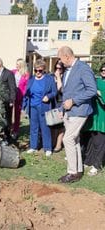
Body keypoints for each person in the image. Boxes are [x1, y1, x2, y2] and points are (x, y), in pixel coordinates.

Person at [57, 46, 97, 183]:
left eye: (61, 59)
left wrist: (74, 101)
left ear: (67, 56)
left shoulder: (83, 68)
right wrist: (63, 109)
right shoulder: (69, 70)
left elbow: (92, 90)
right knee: (74, 140)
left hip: (79, 110)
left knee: (67, 139)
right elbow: (67, 92)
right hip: (69, 111)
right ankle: (78, 170)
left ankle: (72, 172)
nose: (61, 62)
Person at [22, 59, 57, 156]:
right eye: (36, 70)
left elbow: (54, 92)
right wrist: (23, 106)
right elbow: (26, 94)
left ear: (44, 70)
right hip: (32, 107)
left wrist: (48, 97)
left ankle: (47, 148)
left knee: (45, 128)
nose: (38, 72)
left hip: (44, 107)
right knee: (33, 128)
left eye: (40, 70)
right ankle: (33, 146)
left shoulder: (49, 79)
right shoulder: (31, 79)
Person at [82, 63, 105, 176]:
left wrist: (100, 93)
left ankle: (97, 165)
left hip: (103, 118)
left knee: (100, 143)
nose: (103, 71)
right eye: (102, 69)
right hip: (93, 115)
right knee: (91, 140)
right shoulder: (96, 81)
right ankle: (88, 161)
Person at [11, 58, 30, 140]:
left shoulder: (26, 75)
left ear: (22, 65)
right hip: (11, 95)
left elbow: (26, 87)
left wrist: (24, 96)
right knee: (9, 113)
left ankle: (16, 131)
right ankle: (9, 129)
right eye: (16, 64)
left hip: (20, 96)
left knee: (17, 114)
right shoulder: (13, 72)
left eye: (18, 64)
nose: (16, 65)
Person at [50, 60, 65, 153]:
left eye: (60, 68)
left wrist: (58, 77)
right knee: (52, 124)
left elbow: (61, 90)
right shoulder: (51, 76)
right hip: (52, 102)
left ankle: (59, 144)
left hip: (60, 102)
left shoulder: (65, 77)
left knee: (60, 125)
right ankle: (52, 142)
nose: (58, 70)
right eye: (56, 68)